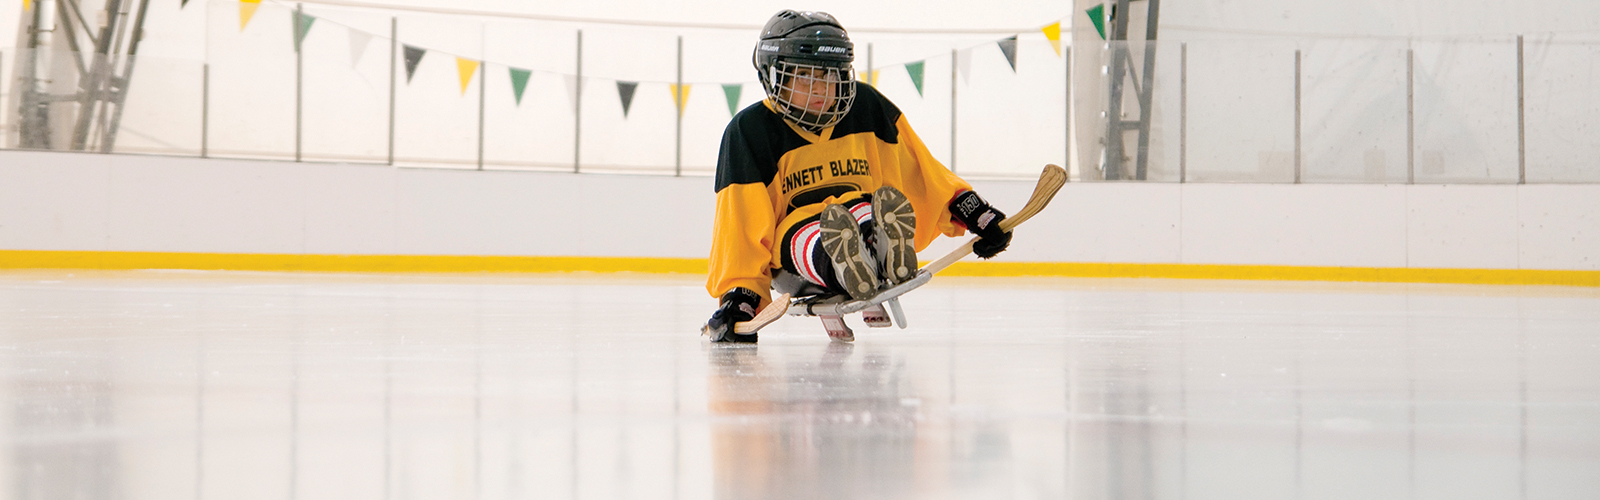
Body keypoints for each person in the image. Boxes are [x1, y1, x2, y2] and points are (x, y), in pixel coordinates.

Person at [704, 10, 1012, 343]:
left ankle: (878, 251)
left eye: (830, 76)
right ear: (774, 77)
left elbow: (921, 171)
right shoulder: (749, 131)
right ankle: (847, 262)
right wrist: (741, 296)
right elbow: (741, 223)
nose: (820, 89)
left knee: (868, 208)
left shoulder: (867, 106)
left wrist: (971, 212)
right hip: (794, 253)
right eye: (804, 77)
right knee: (814, 231)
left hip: (860, 217)